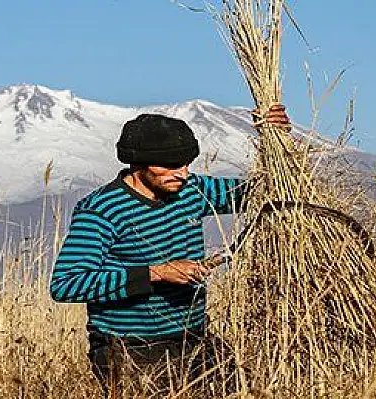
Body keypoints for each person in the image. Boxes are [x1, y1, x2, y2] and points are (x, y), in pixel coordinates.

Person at [50, 105, 291, 397]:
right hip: (131, 348)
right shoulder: (102, 210)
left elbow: (265, 193)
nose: (183, 173)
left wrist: (276, 141)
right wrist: (156, 274)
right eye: (170, 165)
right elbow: (67, 284)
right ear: (139, 164)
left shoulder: (192, 191)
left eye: (187, 164)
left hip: (195, 340)